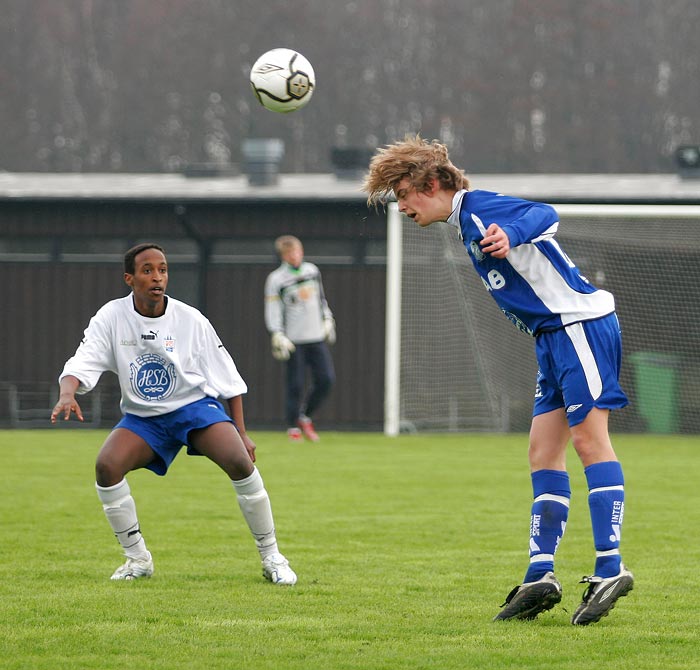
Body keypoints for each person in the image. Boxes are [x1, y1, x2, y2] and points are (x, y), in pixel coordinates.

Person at [363, 136, 633, 626]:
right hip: (553, 339)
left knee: (590, 442)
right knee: (541, 452)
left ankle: (610, 569)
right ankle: (540, 575)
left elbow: (543, 214)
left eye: (403, 193)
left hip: (579, 327)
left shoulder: (478, 206)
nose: (400, 206)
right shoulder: (463, 221)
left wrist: (509, 233)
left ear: (432, 183)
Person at [50, 242, 296, 585]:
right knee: (106, 466)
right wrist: (67, 393)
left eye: (162, 269)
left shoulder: (190, 319)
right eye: (147, 270)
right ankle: (137, 559)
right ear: (129, 278)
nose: (157, 277)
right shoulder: (112, 316)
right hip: (144, 419)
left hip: (194, 409)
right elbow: (84, 359)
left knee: (241, 462)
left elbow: (228, 377)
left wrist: (241, 432)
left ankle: (273, 557)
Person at [264, 235, 336, 442]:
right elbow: (273, 308)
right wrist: (277, 333)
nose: (295, 256)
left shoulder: (312, 271)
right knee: (295, 384)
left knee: (326, 380)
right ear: (284, 256)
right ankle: (292, 426)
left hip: (315, 337)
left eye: (297, 251)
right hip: (294, 340)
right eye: (290, 253)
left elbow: (321, 299)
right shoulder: (276, 279)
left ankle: (305, 415)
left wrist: (328, 318)